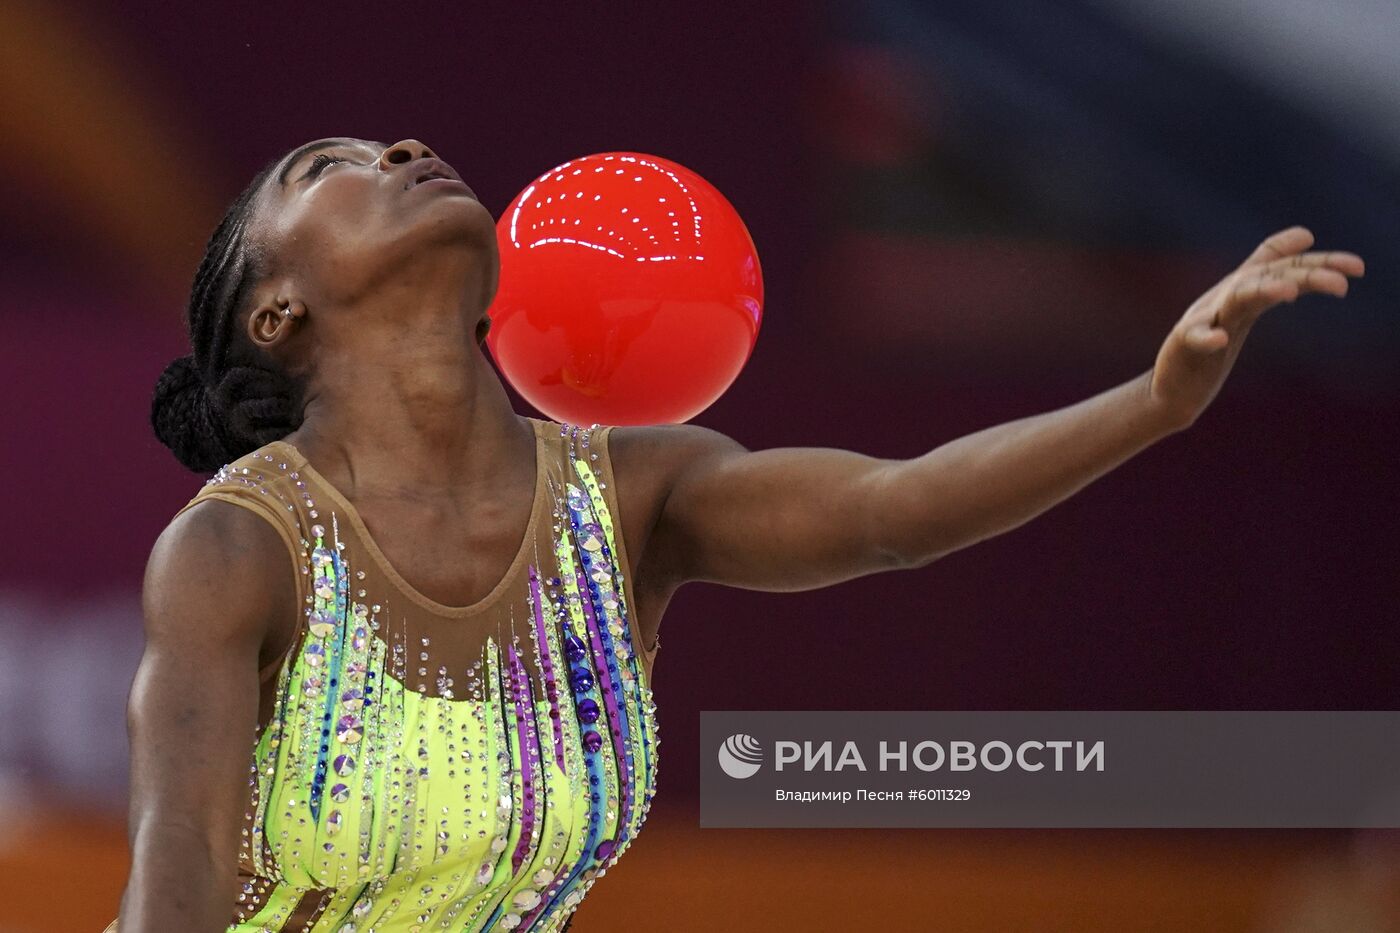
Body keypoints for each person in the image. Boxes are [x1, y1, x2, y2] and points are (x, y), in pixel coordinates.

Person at [111, 136, 1364, 932]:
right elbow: (175, 890)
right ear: (275, 310)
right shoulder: (238, 552)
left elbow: (895, 509)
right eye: (325, 165)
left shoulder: (631, 500)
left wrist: (1154, 400)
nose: (400, 146)